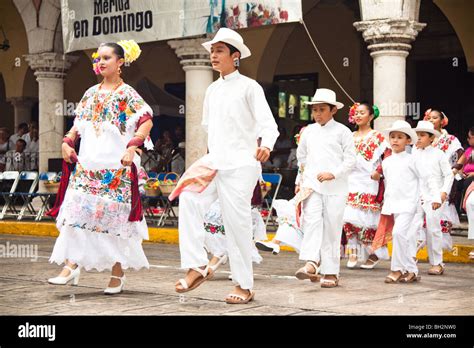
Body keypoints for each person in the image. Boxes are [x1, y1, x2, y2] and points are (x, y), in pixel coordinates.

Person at [173, 28, 279, 304]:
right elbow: (211, 130)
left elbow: (269, 125)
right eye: (212, 50)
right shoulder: (211, 89)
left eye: (219, 50)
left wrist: (266, 145)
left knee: (236, 224)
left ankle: (244, 285)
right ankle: (197, 265)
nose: (213, 55)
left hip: (242, 163)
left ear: (235, 56)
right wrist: (207, 160)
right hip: (215, 161)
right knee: (187, 198)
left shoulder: (249, 87)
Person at [47, 40, 153, 295]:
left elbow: (146, 120)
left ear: (120, 63)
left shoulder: (127, 94)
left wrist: (132, 146)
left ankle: (118, 274)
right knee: (76, 215)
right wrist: (67, 141)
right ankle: (71, 266)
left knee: (115, 223)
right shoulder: (90, 94)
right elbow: (78, 124)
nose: (101, 62)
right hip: (88, 166)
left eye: (107, 58)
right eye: (98, 58)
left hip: (116, 169)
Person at [293, 88, 356, 288]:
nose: (317, 114)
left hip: (336, 188)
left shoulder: (343, 131)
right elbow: (301, 158)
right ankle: (311, 262)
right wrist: (299, 181)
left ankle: (331, 272)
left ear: (333, 110)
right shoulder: (308, 131)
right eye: (315, 110)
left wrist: (333, 173)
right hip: (312, 185)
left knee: (331, 228)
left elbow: (351, 160)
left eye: (322, 110)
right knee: (311, 221)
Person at [343, 102, 389, 269]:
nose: (358, 115)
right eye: (356, 112)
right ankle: (353, 251)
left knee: (366, 220)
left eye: (362, 112)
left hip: (369, 181)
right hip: (350, 179)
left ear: (371, 116)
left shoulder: (378, 137)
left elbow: (387, 156)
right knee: (347, 217)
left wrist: (379, 171)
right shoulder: (349, 136)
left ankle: (374, 253)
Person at [411, 121, 453, 276]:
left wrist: (443, 193)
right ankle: (409, 259)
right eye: (417, 135)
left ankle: (437, 263)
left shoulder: (438, 154)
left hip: (435, 196)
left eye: (422, 135)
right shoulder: (413, 154)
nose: (419, 138)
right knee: (412, 227)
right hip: (418, 195)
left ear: (431, 138)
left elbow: (449, 175)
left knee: (433, 229)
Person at [381, 120, 421, 284]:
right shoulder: (386, 162)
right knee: (402, 237)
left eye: (400, 137)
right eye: (393, 137)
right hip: (394, 204)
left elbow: (422, 180)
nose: (395, 140)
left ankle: (396, 270)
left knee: (398, 234)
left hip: (410, 204)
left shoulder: (412, 160)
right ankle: (411, 270)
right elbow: (387, 184)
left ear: (408, 141)